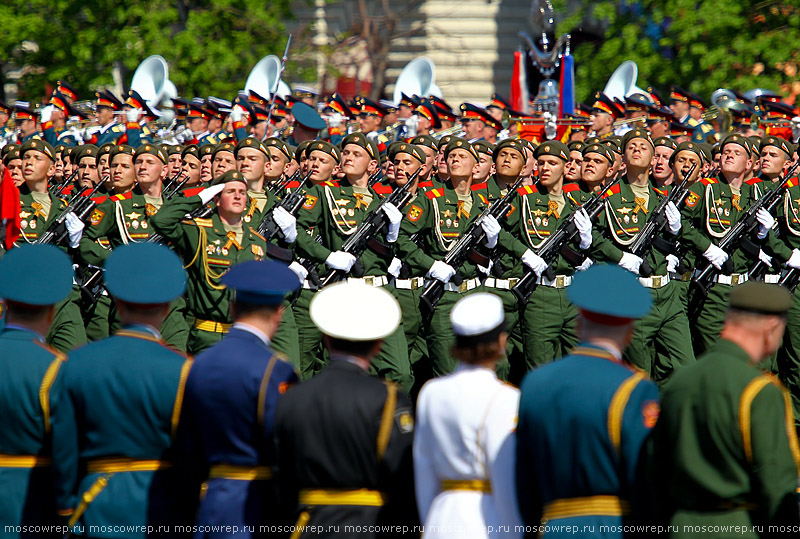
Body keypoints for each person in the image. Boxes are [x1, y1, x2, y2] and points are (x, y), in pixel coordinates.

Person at [50, 243, 193, 535]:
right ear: (168, 305)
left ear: (114, 299)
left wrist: (65, 506)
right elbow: (193, 454)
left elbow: (64, 447)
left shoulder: (76, 362)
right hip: (162, 504)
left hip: (96, 501)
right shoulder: (184, 369)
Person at [516, 264, 658, 537]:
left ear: (579, 324)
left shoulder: (535, 384)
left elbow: (524, 481)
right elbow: (645, 481)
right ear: (629, 330)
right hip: (614, 528)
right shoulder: (636, 388)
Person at [649, 281, 800, 535]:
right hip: (735, 526)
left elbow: (655, 469)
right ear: (771, 328)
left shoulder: (680, 381)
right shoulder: (761, 391)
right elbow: (777, 484)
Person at [275, 282, 417, 538]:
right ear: (378, 345)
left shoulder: (294, 396)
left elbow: (281, 478)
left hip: (308, 524)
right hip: (369, 526)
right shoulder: (387, 399)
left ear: (326, 340)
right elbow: (403, 481)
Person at [176, 260, 300, 537]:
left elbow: (187, 447)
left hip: (212, 505)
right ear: (278, 314)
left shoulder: (198, 364)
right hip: (257, 506)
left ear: (232, 309)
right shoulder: (276, 369)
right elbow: (286, 446)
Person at [414, 293, 522, 538]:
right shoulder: (506, 397)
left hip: (440, 518)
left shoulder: (431, 392)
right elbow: (505, 481)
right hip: (485, 520)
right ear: (501, 342)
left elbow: (424, 472)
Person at [0, 245, 74, 536]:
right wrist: (67, 507)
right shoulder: (57, 368)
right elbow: (66, 448)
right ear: (50, 311)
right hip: (33, 495)